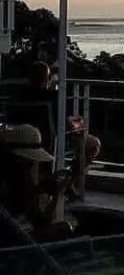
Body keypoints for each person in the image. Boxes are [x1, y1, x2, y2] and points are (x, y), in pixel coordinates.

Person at [1, 62, 101, 199]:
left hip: (21, 141)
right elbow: (67, 125)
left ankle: (66, 185)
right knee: (93, 144)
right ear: (47, 79)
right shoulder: (53, 97)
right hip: (51, 141)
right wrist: (80, 123)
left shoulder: (16, 96)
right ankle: (66, 184)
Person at [0, 125, 74, 241]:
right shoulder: (13, 173)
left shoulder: (21, 172)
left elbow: (41, 222)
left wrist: (57, 192)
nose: (29, 162)